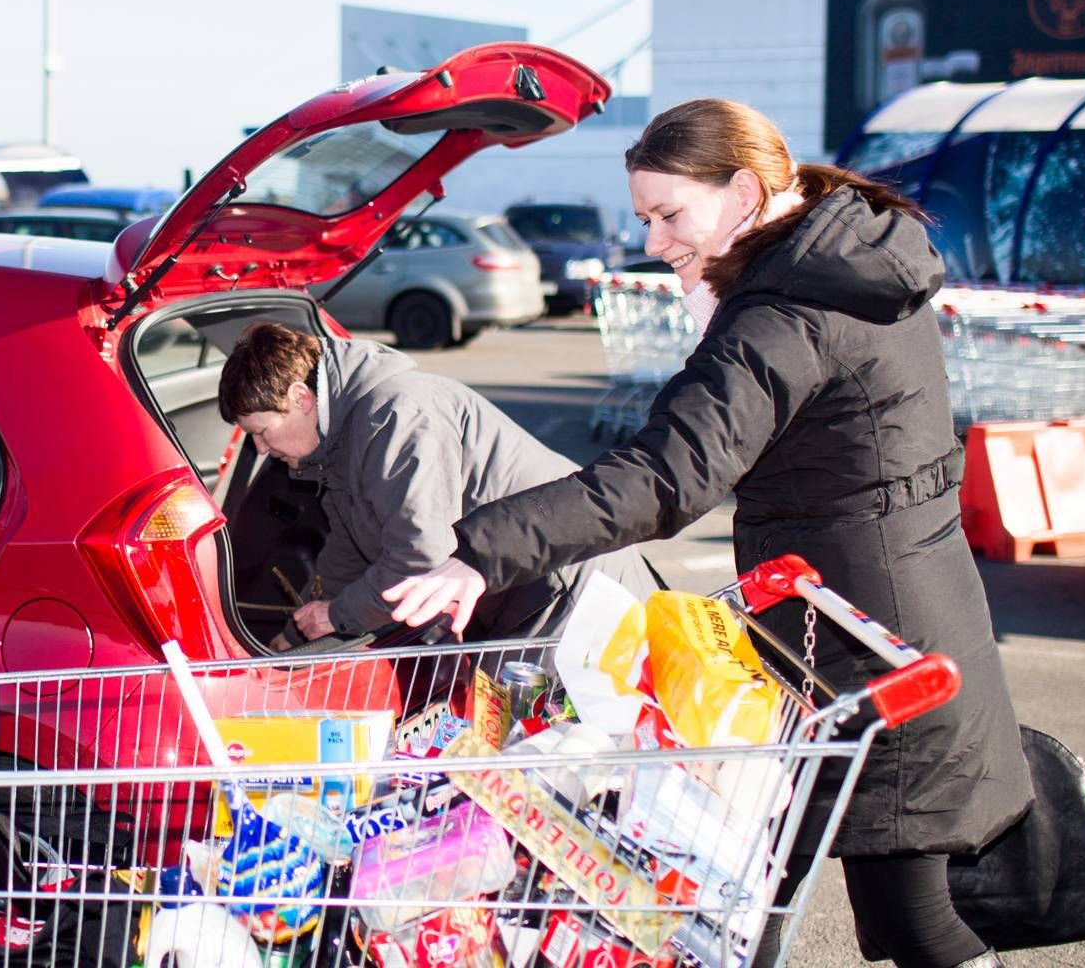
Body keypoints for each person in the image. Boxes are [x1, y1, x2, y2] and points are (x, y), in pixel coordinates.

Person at [384, 99, 1031, 968]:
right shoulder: (839, 264)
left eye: (669, 214)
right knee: (745, 900)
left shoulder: (786, 313)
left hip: (872, 642)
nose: (654, 241)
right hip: (865, 617)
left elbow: (667, 475)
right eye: (646, 218)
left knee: (901, 916)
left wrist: (480, 553)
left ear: (744, 191)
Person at [218, 321, 654, 650]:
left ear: (301, 397)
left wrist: (338, 615)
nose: (260, 447)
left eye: (262, 430)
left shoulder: (396, 415)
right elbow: (347, 550)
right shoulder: (339, 446)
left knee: (560, 750)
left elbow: (421, 559)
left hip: (568, 593)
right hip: (522, 594)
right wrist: (297, 635)